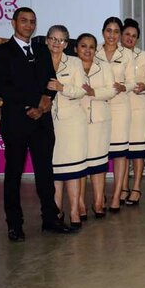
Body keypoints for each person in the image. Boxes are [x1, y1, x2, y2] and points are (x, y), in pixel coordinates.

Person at [0, 7, 73, 241]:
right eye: (24, 21)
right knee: (13, 174)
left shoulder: (41, 49)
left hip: (42, 122)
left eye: (32, 22)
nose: (28, 25)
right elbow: (3, 88)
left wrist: (46, 102)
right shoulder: (1, 52)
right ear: (13, 23)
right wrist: (34, 103)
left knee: (45, 173)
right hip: (17, 122)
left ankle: (50, 218)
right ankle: (14, 224)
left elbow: (51, 80)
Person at [45, 25, 88, 228]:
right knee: (53, 170)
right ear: (47, 40)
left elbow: (81, 90)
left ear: (66, 44)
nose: (56, 43)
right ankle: (56, 212)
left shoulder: (75, 62)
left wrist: (62, 87)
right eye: (53, 39)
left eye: (61, 40)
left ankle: (74, 211)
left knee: (73, 170)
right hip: (48, 122)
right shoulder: (38, 61)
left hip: (72, 122)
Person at [96, 17, 136, 213]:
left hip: (120, 107)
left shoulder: (126, 54)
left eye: (116, 32)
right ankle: (99, 196)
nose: (112, 35)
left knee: (120, 154)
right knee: (100, 154)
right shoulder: (94, 51)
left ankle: (116, 196)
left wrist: (124, 87)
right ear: (103, 31)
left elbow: (132, 82)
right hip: (99, 107)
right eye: (108, 31)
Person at [76, 33, 117, 218]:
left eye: (91, 47)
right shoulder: (70, 65)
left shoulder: (104, 66)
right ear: (76, 48)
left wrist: (94, 92)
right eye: (83, 46)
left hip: (100, 122)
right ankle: (80, 204)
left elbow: (111, 90)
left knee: (99, 164)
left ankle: (99, 202)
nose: (87, 50)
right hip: (77, 122)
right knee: (79, 166)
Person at [120, 18, 145, 206]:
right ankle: (122, 187)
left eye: (134, 36)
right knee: (121, 152)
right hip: (118, 108)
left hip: (138, 108)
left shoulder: (144, 56)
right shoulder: (111, 53)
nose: (130, 38)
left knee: (137, 151)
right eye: (127, 34)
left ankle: (135, 188)